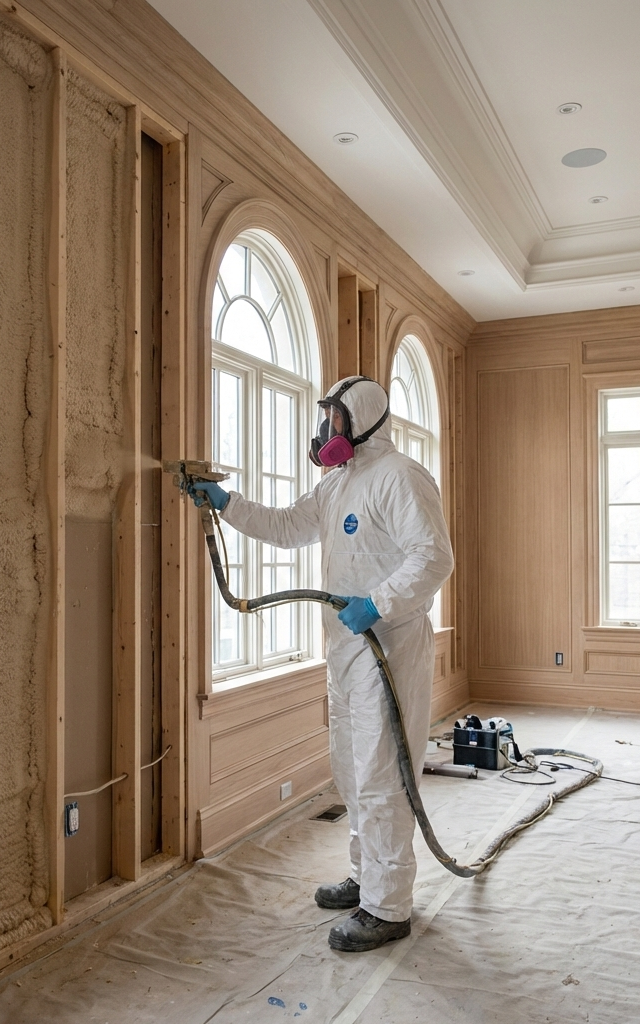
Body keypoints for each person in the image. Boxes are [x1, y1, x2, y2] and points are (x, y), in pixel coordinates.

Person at [191, 375, 453, 952]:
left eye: (335, 417)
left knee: (382, 774)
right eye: (325, 417)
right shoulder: (337, 484)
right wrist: (227, 504)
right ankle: (366, 878)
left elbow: (434, 556)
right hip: (345, 649)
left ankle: (388, 907)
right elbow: (287, 527)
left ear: (361, 419)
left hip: (389, 646)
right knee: (352, 769)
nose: (325, 428)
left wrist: (379, 602)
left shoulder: (401, 476)